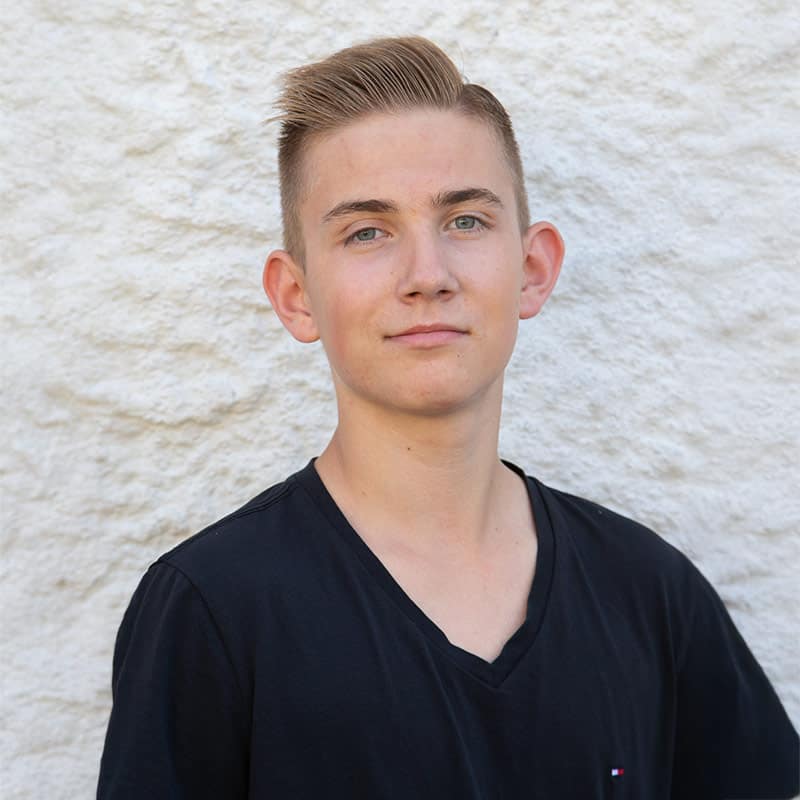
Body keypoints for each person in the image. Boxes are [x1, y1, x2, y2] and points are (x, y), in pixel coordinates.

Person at [97, 36, 798, 799]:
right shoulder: (212, 609)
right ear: (296, 297)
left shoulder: (649, 592)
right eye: (367, 231)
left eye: (464, 221)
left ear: (532, 269)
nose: (427, 276)